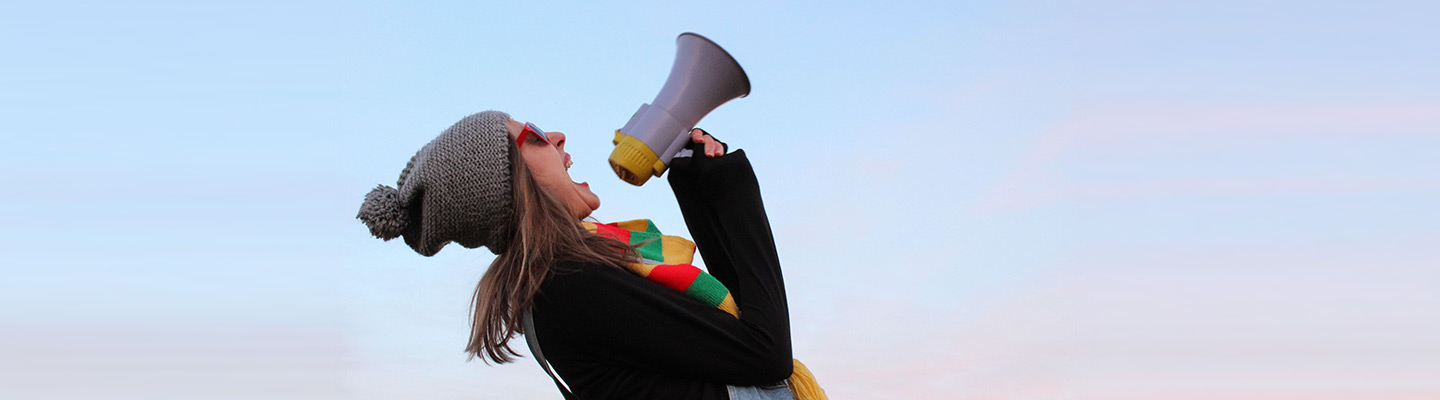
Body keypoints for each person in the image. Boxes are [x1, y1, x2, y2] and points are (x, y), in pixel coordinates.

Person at [357, 111, 822, 400]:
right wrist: (737, 193)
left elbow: (738, 337)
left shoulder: (563, 283)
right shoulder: (569, 285)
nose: (558, 136)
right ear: (513, 187)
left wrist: (701, 186)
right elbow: (767, 355)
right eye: (534, 136)